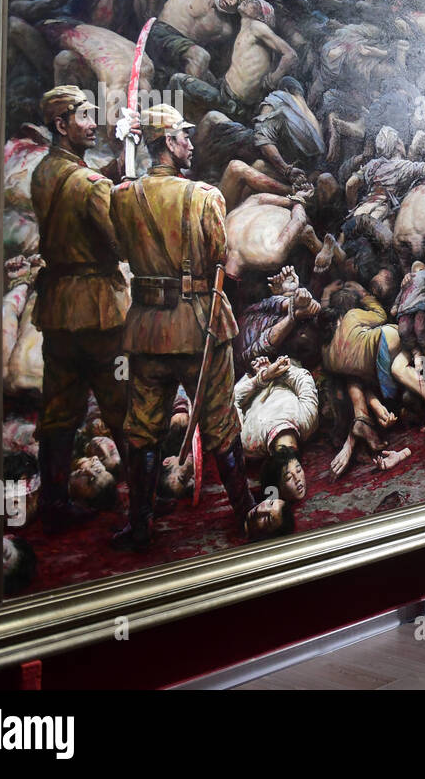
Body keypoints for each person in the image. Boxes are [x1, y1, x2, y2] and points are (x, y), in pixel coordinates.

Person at [110, 104, 257, 549]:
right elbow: (218, 254)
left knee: (143, 428)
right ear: (166, 144)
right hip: (200, 328)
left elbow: (119, 245)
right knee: (221, 424)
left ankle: (140, 525)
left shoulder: (121, 197)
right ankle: (246, 512)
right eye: (183, 137)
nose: (191, 144)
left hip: (148, 331)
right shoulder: (205, 197)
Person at [28, 85, 132, 533]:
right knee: (122, 405)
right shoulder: (91, 185)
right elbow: (118, 239)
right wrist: (125, 189)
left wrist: (118, 165)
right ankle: (144, 502)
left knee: (58, 410)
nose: (93, 124)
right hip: (99, 310)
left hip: (57, 307)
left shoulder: (43, 172)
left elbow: (79, 190)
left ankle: (54, 506)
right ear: (61, 124)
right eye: (85, 117)